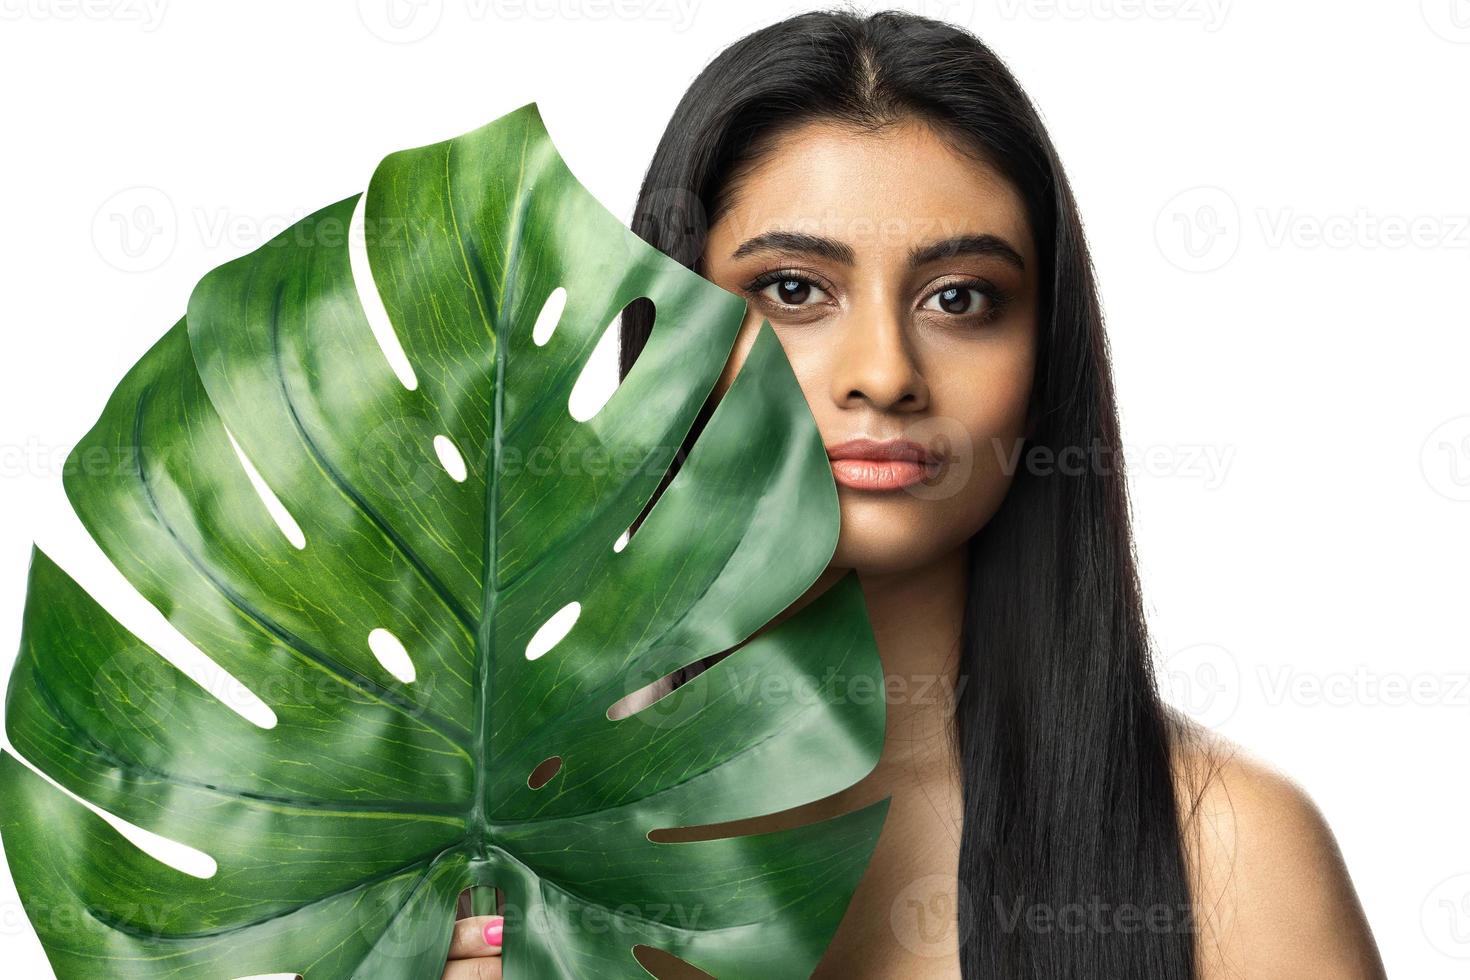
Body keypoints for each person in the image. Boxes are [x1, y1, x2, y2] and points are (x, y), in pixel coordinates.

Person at [444, 8, 1386, 978]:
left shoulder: (1229, 854)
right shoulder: (492, 831)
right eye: (796, 289)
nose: (885, 373)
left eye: (959, 297)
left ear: (1043, 352)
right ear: (673, 328)